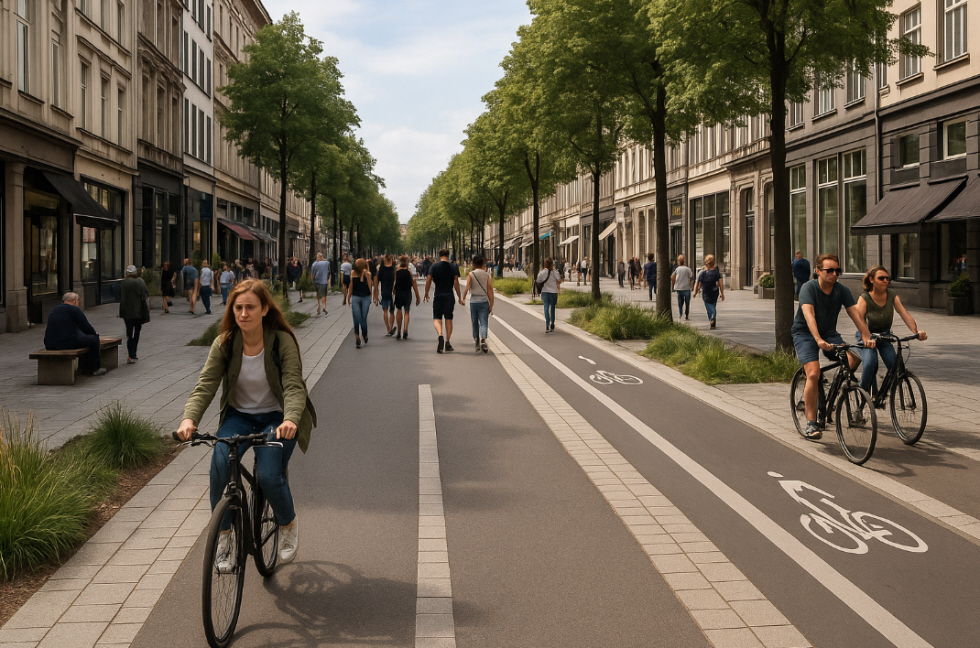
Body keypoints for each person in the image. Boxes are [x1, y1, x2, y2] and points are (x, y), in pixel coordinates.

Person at [177, 279, 316, 568]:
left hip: (278, 418)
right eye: (238, 307)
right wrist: (190, 418)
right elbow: (206, 384)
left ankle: (287, 523)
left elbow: (293, 384)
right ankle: (224, 537)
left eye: (250, 307)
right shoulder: (225, 343)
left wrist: (290, 419)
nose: (243, 313)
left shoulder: (280, 340)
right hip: (238, 416)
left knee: (267, 474)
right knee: (219, 464)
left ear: (264, 309)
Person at [793, 253, 875, 440]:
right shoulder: (809, 288)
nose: (834, 274)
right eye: (829, 270)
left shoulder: (842, 290)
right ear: (818, 271)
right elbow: (809, 315)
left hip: (829, 333)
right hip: (805, 333)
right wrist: (817, 339)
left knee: (854, 357)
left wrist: (866, 337)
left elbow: (856, 315)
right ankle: (811, 423)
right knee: (813, 373)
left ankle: (835, 388)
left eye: (837, 270)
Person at [853, 265, 927, 396]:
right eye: (881, 278)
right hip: (867, 335)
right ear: (871, 280)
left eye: (887, 278)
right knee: (870, 363)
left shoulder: (892, 295)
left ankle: (881, 394)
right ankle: (863, 396)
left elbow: (904, 314)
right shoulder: (864, 297)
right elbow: (859, 320)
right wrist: (866, 338)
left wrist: (916, 331)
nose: (885, 281)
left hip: (884, 335)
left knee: (895, 365)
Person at [45, 292, 106, 376]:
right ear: (74, 301)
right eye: (78, 300)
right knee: (93, 340)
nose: (78, 302)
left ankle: (83, 367)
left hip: (50, 343)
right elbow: (86, 326)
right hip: (67, 342)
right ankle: (93, 368)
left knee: (84, 339)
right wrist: (94, 335)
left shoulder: (55, 309)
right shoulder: (74, 309)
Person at [424, 249, 462, 353]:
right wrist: (459, 296)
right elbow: (456, 282)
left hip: (438, 295)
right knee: (448, 319)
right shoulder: (453, 267)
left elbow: (428, 279)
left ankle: (440, 334)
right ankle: (448, 342)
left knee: (437, 319)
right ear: (448, 255)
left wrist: (426, 293)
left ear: (439, 256)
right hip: (449, 296)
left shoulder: (434, 266)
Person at [461, 255, 494, 353]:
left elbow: (467, 287)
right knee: (484, 322)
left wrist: (463, 298)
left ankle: (476, 340)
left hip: (474, 302)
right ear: (483, 264)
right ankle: (483, 339)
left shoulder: (471, 274)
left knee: (475, 322)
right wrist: (491, 304)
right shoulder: (487, 275)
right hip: (484, 301)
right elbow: (490, 290)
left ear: (474, 264)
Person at [119, 265, 150, 364]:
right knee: (136, 333)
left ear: (127, 273)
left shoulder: (124, 283)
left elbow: (123, 299)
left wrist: (122, 312)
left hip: (128, 312)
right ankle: (134, 354)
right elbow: (145, 295)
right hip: (139, 312)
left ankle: (130, 355)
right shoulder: (141, 281)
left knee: (129, 334)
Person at [345, 258, 373, 349]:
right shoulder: (357, 273)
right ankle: (359, 335)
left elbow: (351, 286)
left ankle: (362, 334)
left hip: (360, 297)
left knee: (360, 318)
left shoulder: (365, 274)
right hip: (360, 297)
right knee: (360, 318)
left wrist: (348, 297)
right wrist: (370, 297)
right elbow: (369, 286)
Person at [693, 255, 725, 329]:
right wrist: (722, 293)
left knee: (708, 306)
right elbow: (720, 283)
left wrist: (695, 292)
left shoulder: (702, 273)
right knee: (713, 304)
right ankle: (713, 318)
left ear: (706, 262)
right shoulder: (716, 272)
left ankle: (712, 317)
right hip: (714, 292)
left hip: (706, 292)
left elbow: (698, 284)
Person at [394, 255, 420, 340]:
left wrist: (393, 291)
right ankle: (405, 329)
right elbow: (414, 283)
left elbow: (394, 283)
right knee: (407, 311)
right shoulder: (409, 273)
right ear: (407, 263)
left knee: (398, 310)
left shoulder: (397, 272)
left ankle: (398, 330)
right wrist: (417, 296)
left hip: (399, 293)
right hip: (407, 293)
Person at [536, 257, 561, 333]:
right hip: (553, 292)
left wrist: (539, 288)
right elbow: (559, 280)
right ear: (552, 264)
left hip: (545, 292)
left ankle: (547, 324)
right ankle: (552, 324)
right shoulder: (555, 272)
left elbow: (538, 281)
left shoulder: (542, 272)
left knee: (546, 307)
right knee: (552, 308)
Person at [375, 254, 397, 336]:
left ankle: (388, 328)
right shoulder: (393, 269)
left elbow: (378, 279)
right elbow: (395, 279)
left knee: (385, 310)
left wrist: (376, 293)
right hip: (392, 292)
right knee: (392, 311)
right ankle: (391, 327)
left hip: (384, 291)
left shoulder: (381, 269)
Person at [670, 255, 694, 320]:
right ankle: (687, 314)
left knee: (680, 302)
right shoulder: (688, 269)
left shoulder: (677, 269)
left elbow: (672, 276)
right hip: (686, 288)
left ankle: (680, 314)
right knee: (687, 302)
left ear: (679, 262)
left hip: (679, 288)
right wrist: (691, 285)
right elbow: (691, 277)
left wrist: (674, 284)